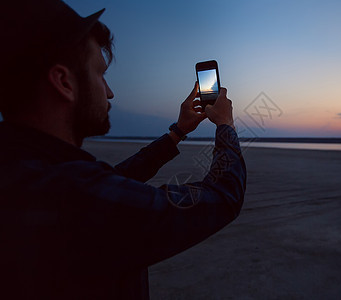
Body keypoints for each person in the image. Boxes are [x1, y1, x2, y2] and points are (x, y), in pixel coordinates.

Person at [0, 1, 246, 299]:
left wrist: (177, 132)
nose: (110, 91)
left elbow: (114, 180)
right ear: (64, 82)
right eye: (100, 74)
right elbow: (222, 198)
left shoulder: (24, 170)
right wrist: (225, 126)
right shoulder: (71, 195)